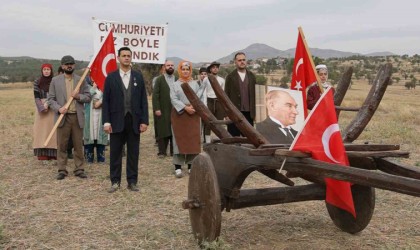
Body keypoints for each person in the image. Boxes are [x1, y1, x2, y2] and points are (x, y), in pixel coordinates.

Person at [102, 47, 149, 193]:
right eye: (124, 56)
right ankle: (115, 181)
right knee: (115, 152)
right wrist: (106, 121)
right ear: (118, 58)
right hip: (116, 121)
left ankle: (132, 181)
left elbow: (143, 101)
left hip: (134, 121)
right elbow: (106, 101)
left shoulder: (138, 77)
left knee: (133, 153)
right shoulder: (111, 77)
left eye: (129, 56)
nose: (126, 58)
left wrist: (144, 121)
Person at [48, 55, 91, 180]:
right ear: (62, 66)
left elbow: (88, 97)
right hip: (62, 117)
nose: (69, 66)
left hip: (77, 117)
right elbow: (50, 99)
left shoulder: (80, 80)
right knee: (62, 145)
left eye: (71, 64)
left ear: (74, 65)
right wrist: (59, 108)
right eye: (66, 64)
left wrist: (78, 96)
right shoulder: (55, 81)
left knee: (78, 145)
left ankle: (79, 169)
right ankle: (62, 169)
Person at [170, 61, 206, 178]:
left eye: (187, 69)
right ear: (180, 70)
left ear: (190, 70)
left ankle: (192, 165)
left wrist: (193, 107)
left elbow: (199, 96)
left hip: (193, 113)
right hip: (179, 114)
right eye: (183, 69)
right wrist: (185, 107)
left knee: (193, 139)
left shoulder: (195, 84)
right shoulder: (175, 84)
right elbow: (174, 99)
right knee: (178, 139)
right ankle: (178, 167)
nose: (185, 71)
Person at [225, 52, 257, 136]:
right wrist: (227, 114)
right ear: (235, 62)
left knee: (249, 138)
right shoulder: (230, 77)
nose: (242, 62)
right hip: (234, 113)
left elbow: (255, 95)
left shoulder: (252, 76)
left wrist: (255, 113)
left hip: (249, 114)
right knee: (234, 138)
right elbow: (225, 96)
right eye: (239, 60)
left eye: (243, 60)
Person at [33, 63, 57, 160]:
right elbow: (36, 96)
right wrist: (42, 107)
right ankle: (42, 153)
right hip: (41, 109)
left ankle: (53, 153)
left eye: (48, 69)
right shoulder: (37, 82)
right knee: (41, 130)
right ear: (42, 71)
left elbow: (56, 94)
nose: (46, 71)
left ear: (51, 71)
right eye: (44, 69)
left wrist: (49, 104)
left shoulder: (55, 81)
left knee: (52, 130)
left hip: (53, 107)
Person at [152, 60, 176, 158]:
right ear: (164, 67)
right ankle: (162, 152)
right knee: (163, 130)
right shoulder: (159, 80)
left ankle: (174, 152)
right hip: (163, 108)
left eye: (172, 65)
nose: (170, 67)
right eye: (168, 65)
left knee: (174, 130)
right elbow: (155, 95)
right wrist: (157, 108)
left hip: (175, 109)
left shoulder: (178, 79)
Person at [83, 77, 108, 163]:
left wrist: (100, 102)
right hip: (89, 114)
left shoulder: (104, 86)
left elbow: (109, 96)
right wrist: (93, 88)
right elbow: (84, 97)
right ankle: (89, 157)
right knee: (90, 134)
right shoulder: (85, 86)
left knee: (100, 133)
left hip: (101, 113)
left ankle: (101, 157)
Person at [203, 61, 225, 142]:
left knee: (219, 122)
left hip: (219, 101)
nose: (215, 69)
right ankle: (208, 141)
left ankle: (220, 140)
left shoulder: (222, 80)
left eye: (216, 67)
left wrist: (223, 104)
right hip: (209, 100)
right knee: (209, 122)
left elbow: (223, 93)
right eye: (213, 67)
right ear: (210, 69)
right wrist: (205, 104)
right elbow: (204, 91)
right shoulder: (206, 79)